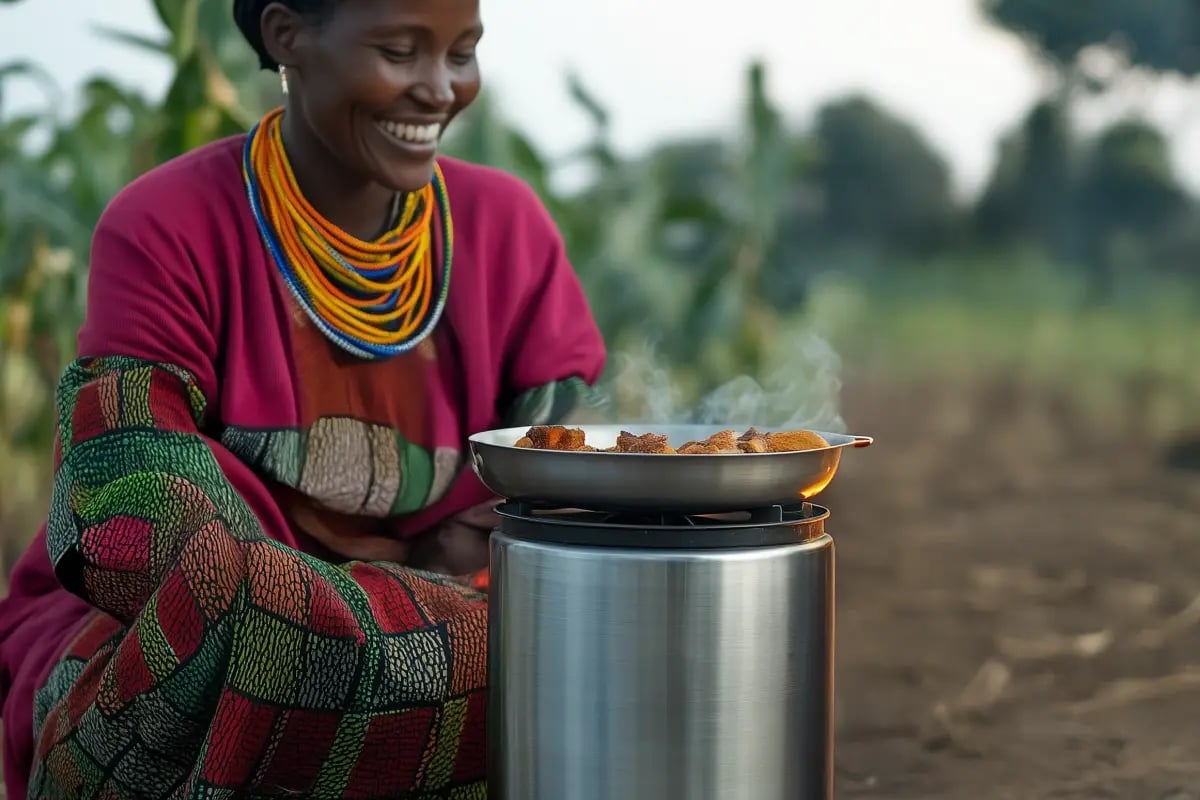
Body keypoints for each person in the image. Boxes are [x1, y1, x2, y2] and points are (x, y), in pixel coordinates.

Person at [0, 0, 606, 796]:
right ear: (286, 35)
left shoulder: (508, 232)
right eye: (401, 51)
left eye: (461, 54)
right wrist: (374, 617)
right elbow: (133, 502)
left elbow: (562, 483)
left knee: (582, 668)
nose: (440, 89)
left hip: (436, 614)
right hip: (191, 630)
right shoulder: (166, 224)